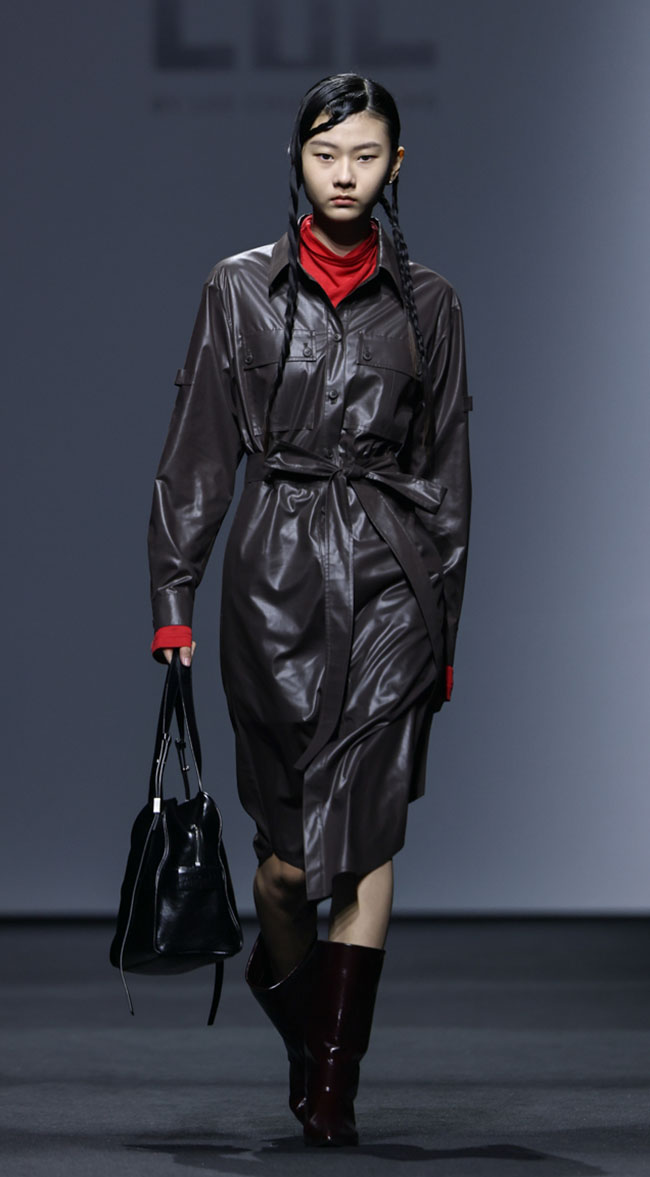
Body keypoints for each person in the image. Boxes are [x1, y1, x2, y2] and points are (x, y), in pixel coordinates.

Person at [147, 72, 472, 1146]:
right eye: (326, 154)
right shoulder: (237, 288)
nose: (344, 175)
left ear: (395, 166)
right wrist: (174, 595)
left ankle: (332, 1088)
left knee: (366, 839)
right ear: (297, 158)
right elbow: (198, 452)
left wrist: (444, 630)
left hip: (390, 580)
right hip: (274, 579)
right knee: (286, 868)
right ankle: (304, 1024)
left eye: (365, 156)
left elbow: (447, 476)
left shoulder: (430, 304)